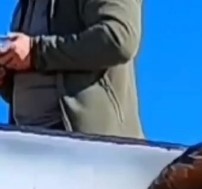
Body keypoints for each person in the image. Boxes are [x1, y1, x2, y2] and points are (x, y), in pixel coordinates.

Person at [0, 0, 144, 138]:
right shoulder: (26, 4)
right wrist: (6, 78)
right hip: (26, 143)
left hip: (87, 147)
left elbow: (118, 38)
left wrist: (36, 52)